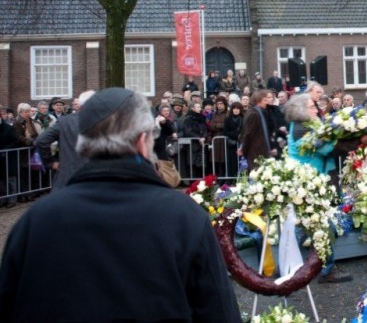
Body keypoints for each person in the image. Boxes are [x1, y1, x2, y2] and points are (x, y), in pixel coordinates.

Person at [0, 88, 240, 321]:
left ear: (83, 142)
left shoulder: (36, 222)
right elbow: (217, 310)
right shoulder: (185, 217)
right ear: (142, 140)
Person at [284, 93, 354, 284]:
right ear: (301, 110)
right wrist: (356, 139)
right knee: (317, 227)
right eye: (311, 106)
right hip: (307, 185)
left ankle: (315, 268)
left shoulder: (308, 125)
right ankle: (318, 270)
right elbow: (327, 148)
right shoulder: (301, 129)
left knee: (310, 227)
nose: (316, 109)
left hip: (314, 183)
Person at [34, 90, 94, 190]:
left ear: (80, 105)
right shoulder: (106, 121)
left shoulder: (64, 121)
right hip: (94, 180)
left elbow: (41, 140)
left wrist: (50, 162)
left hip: (67, 178)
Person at [239, 89, 279, 170]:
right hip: (255, 153)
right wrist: (243, 150)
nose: (266, 102)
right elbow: (248, 134)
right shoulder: (253, 114)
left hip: (262, 152)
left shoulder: (261, 112)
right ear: (258, 100)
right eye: (264, 100)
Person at [223, 101, 244, 179]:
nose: (235, 110)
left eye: (237, 108)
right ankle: (231, 179)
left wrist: (237, 135)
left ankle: (240, 179)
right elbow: (225, 132)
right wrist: (235, 134)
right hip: (231, 144)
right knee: (230, 162)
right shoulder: (227, 119)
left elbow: (243, 131)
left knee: (240, 162)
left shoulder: (243, 119)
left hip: (240, 144)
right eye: (234, 108)